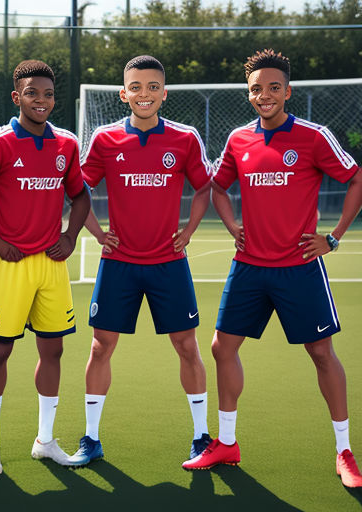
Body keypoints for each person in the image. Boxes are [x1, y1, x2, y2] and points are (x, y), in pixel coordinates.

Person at [182, 49, 362, 489]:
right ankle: (226, 442)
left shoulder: (314, 136)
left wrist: (333, 238)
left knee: (321, 354)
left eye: (274, 87)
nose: (265, 95)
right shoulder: (239, 140)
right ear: (249, 93)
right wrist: (232, 227)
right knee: (223, 348)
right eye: (257, 89)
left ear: (288, 91)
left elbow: (355, 178)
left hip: (299, 266)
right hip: (249, 266)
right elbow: (216, 187)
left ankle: (344, 451)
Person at [67, 55, 212, 467]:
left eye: (152, 87)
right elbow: (78, 190)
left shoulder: (184, 139)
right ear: (123, 93)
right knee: (100, 346)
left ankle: (201, 436)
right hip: (119, 263)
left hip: (168, 262)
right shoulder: (105, 139)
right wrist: (97, 234)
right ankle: (91, 438)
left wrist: (188, 232)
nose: (143, 94)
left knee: (187, 345)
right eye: (136, 87)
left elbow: (204, 188)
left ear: (164, 93)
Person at [0, 59, 90, 474]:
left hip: (51, 265)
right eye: (32, 93)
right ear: (17, 97)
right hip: (9, 264)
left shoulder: (67, 144)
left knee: (53, 348)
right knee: (0, 349)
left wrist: (70, 237)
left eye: (48, 94)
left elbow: (81, 196)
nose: (41, 100)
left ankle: (46, 440)